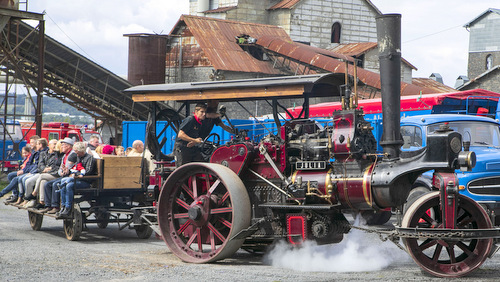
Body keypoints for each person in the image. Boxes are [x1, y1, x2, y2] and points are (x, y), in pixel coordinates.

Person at [56, 142, 96, 218]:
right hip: (77, 179)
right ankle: (63, 206)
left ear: (81, 151)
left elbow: (88, 171)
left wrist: (76, 174)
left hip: (86, 181)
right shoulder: (78, 157)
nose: (76, 153)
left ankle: (68, 207)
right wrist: (68, 171)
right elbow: (75, 168)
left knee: (69, 186)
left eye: (77, 151)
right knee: (64, 182)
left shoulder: (89, 158)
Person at [39, 137, 77, 214]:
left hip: (69, 177)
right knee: (47, 184)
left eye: (63, 145)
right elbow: (60, 168)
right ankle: (48, 205)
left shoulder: (72, 155)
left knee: (55, 184)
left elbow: (70, 167)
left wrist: (65, 171)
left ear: (68, 146)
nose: (61, 146)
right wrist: (61, 172)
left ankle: (55, 206)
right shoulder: (65, 156)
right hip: (63, 175)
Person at [23, 139, 61, 208]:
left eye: (56, 144)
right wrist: (44, 169)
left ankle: (34, 194)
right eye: (54, 144)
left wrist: (49, 169)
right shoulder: (43, 153)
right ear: (49, 145)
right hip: (44, 172)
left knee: (41, 176)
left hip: (53, 174)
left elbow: (56, 166)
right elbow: (40, 164)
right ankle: (42, 201)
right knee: (41, 181)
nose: (55, 146)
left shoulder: (57, 154)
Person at [19, 138, 49, 206]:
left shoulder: (45, 152)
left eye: (37, 144)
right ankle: (23, 198)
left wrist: (33, 171)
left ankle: (32, 198)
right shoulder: (38, 152)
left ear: (40, 145)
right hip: (40, 171)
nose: (36, 145)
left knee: (28, 181)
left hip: (41, 172)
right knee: (23, 179)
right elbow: (39, 165)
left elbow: (40, 165)